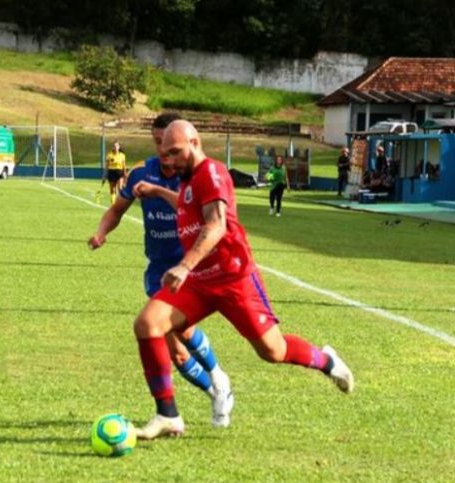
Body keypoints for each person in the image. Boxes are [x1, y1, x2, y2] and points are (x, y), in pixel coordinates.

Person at [130, 120, 353, 440]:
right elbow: (187, 205)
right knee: (148, 324)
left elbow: (216, 224)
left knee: (272, 351)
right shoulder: (189, 182)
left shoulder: (213, 172)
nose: (170, 160)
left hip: (234, 278)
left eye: (176, 152)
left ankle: (326, 360)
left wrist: (184, 266)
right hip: (200, 283)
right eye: (165, 154)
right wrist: (156, 191)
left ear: (195, 142)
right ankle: (168, 415)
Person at [89, 112, 234, 437]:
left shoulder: (193, 175)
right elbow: (116, 210)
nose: (163, 152)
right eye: (158, 144)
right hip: (158, 269)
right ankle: (215, 392)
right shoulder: (141, 172)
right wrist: (102, 232)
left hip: (188, 268)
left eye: (168, 145)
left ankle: (217, 375)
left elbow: (210, 217)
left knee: (183, 331)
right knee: (177, 353)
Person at [104, 140, 126, 204]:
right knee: (112, 189)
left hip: (119, 172)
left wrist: (125, 174)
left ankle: (121, 202)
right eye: (114, 146)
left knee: (120, 188)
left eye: (116, 146)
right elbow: (107, 166)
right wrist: (105, 174)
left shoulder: (122, 155)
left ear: (119, 147)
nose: (115, 147)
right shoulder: (109, 155)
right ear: (113, 147)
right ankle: (113, 203)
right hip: (111, 172)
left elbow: (124, 165)